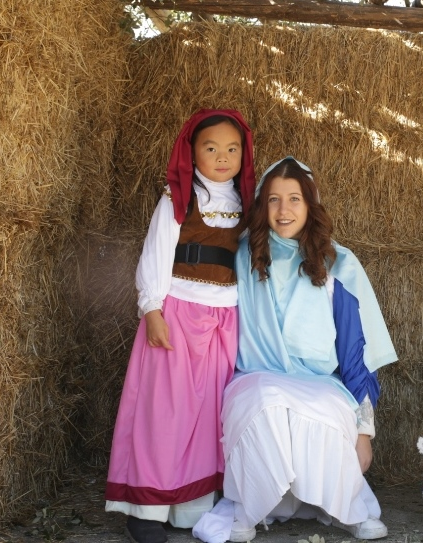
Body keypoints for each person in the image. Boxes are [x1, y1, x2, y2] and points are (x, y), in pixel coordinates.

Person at [193, 157, 398, 543]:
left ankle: (347, 508)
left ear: (310, 205)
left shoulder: (339, 263)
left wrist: (364, 431)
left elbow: (356, 352)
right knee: (265, 400)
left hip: (319, 381)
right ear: (261, 205)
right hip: (254, 376)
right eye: (273, 200)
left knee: (325, 408)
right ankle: (251, 509)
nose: (283, 210)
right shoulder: (240, 257)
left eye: (294, 199)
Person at [105, 109, 257, 543]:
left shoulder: (246, 205)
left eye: (232, 149)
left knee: (209, 412)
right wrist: (152, 308)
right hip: (177, 311)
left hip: (224, 317)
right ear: (192, 152)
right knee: (165, 410)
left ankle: (190, 505)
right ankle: (147, 509)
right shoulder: (179, 198)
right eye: (211, 148)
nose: (222, 157)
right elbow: (155, 252)